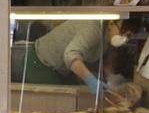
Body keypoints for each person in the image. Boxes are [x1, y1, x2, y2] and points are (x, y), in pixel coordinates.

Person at [10, 15, 142, 102]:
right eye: (126, 34)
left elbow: (108, 58)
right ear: (113, 24)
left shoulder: (109, 36)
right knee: (56, 107)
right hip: (39, 62)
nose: (125, 39)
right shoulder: (93, 29)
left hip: (63, 69)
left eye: (129, 37)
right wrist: (91, 80)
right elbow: (70, 55)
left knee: (72, 101)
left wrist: (110, 77)